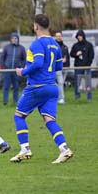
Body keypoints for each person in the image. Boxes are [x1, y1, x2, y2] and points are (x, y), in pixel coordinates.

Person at [10, 14, 73, 164]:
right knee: (49, 120)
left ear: (36, 26)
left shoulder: (37, 44)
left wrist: (23, 72)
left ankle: (25, 149)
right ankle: (64, 149)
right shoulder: (55, 44)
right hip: (52, 88)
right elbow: (59, 66)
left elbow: (37, 64)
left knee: (19, 116)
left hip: (37, 87)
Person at [0, 32, 26, 105]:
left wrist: (21, 66)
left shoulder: (21, 48)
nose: (14, 40)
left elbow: (24, 59)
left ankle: (15, 101)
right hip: (7, 70)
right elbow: (2, 58)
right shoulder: (6, 47)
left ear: (18, 39)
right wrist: (4, 67)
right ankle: (5, 102)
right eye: (12, 38)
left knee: (16, 86)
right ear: (10, 39)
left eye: (15, 38)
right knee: (6, 86)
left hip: (16, 71)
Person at [70, 29, 94, 100]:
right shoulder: (75, 45)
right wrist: (76, 55)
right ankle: (77, 97)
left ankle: (89, 97)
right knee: (77, 82)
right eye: (78, 36)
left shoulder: (89, 45)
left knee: (88, 83)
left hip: (87, 67)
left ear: (83, 36)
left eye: (80, 36)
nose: (79, 37)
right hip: (78, 67)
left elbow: (91, 56)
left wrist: (87, 65)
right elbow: (71, 54)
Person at [55, 31, 70, 104]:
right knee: (60, 83)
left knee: (61, 83)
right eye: (57, 36)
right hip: (57, 68)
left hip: (65, 67)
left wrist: (68, 65)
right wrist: (60, 61)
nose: (58, 37)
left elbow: (67, 57)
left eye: (59, 36)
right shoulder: (53, 47)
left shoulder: (65, 47)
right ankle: (61, 98)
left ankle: (58, 98)